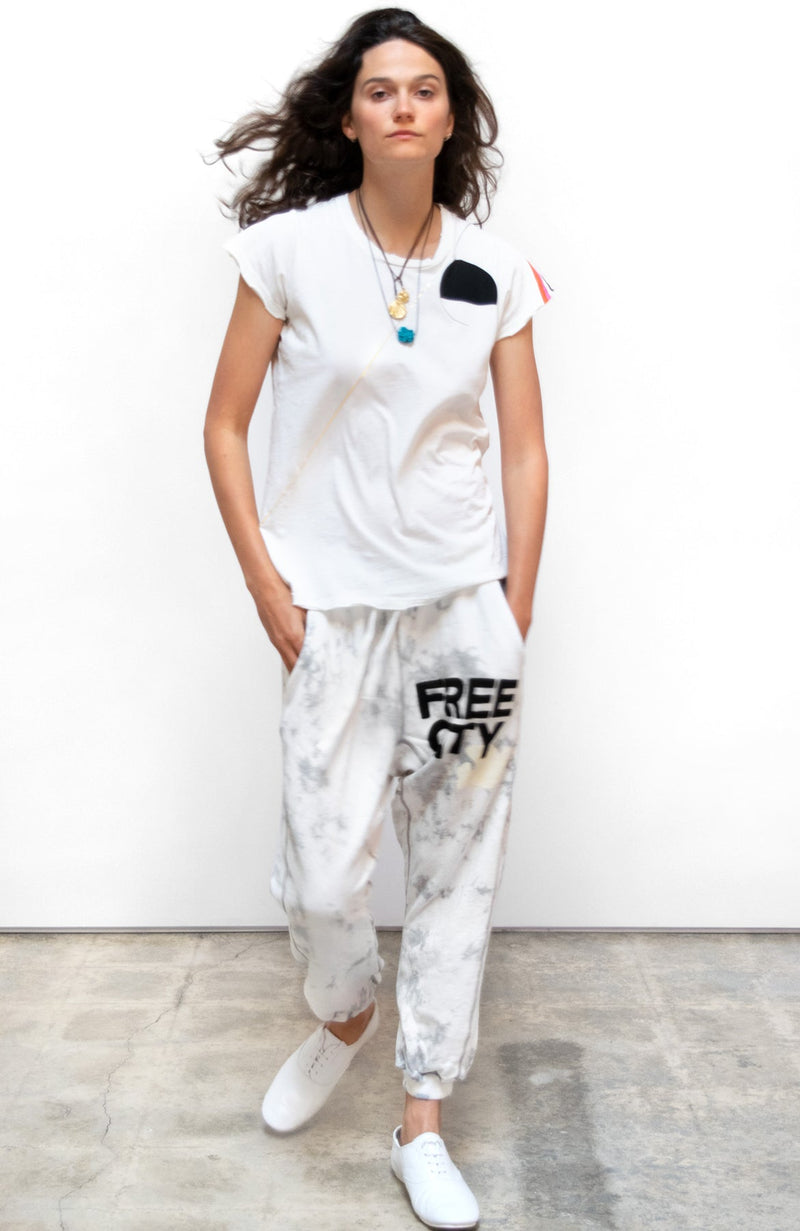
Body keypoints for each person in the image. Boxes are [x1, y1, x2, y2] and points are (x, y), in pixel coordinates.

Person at [204, 9, 553, 1228]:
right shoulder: (285, 251)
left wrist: (509, 609)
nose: (402, 105)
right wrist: (267, 585)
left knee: (457, 866)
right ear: (347, 117)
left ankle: (421, 1121)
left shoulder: (495, 269)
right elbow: (223, 424)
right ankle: (345, 1009)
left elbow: (523, 449)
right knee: (319, 875)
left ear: (450, 117)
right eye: (378, 89)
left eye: (424, 88)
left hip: (461, 618)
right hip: (335, 619)